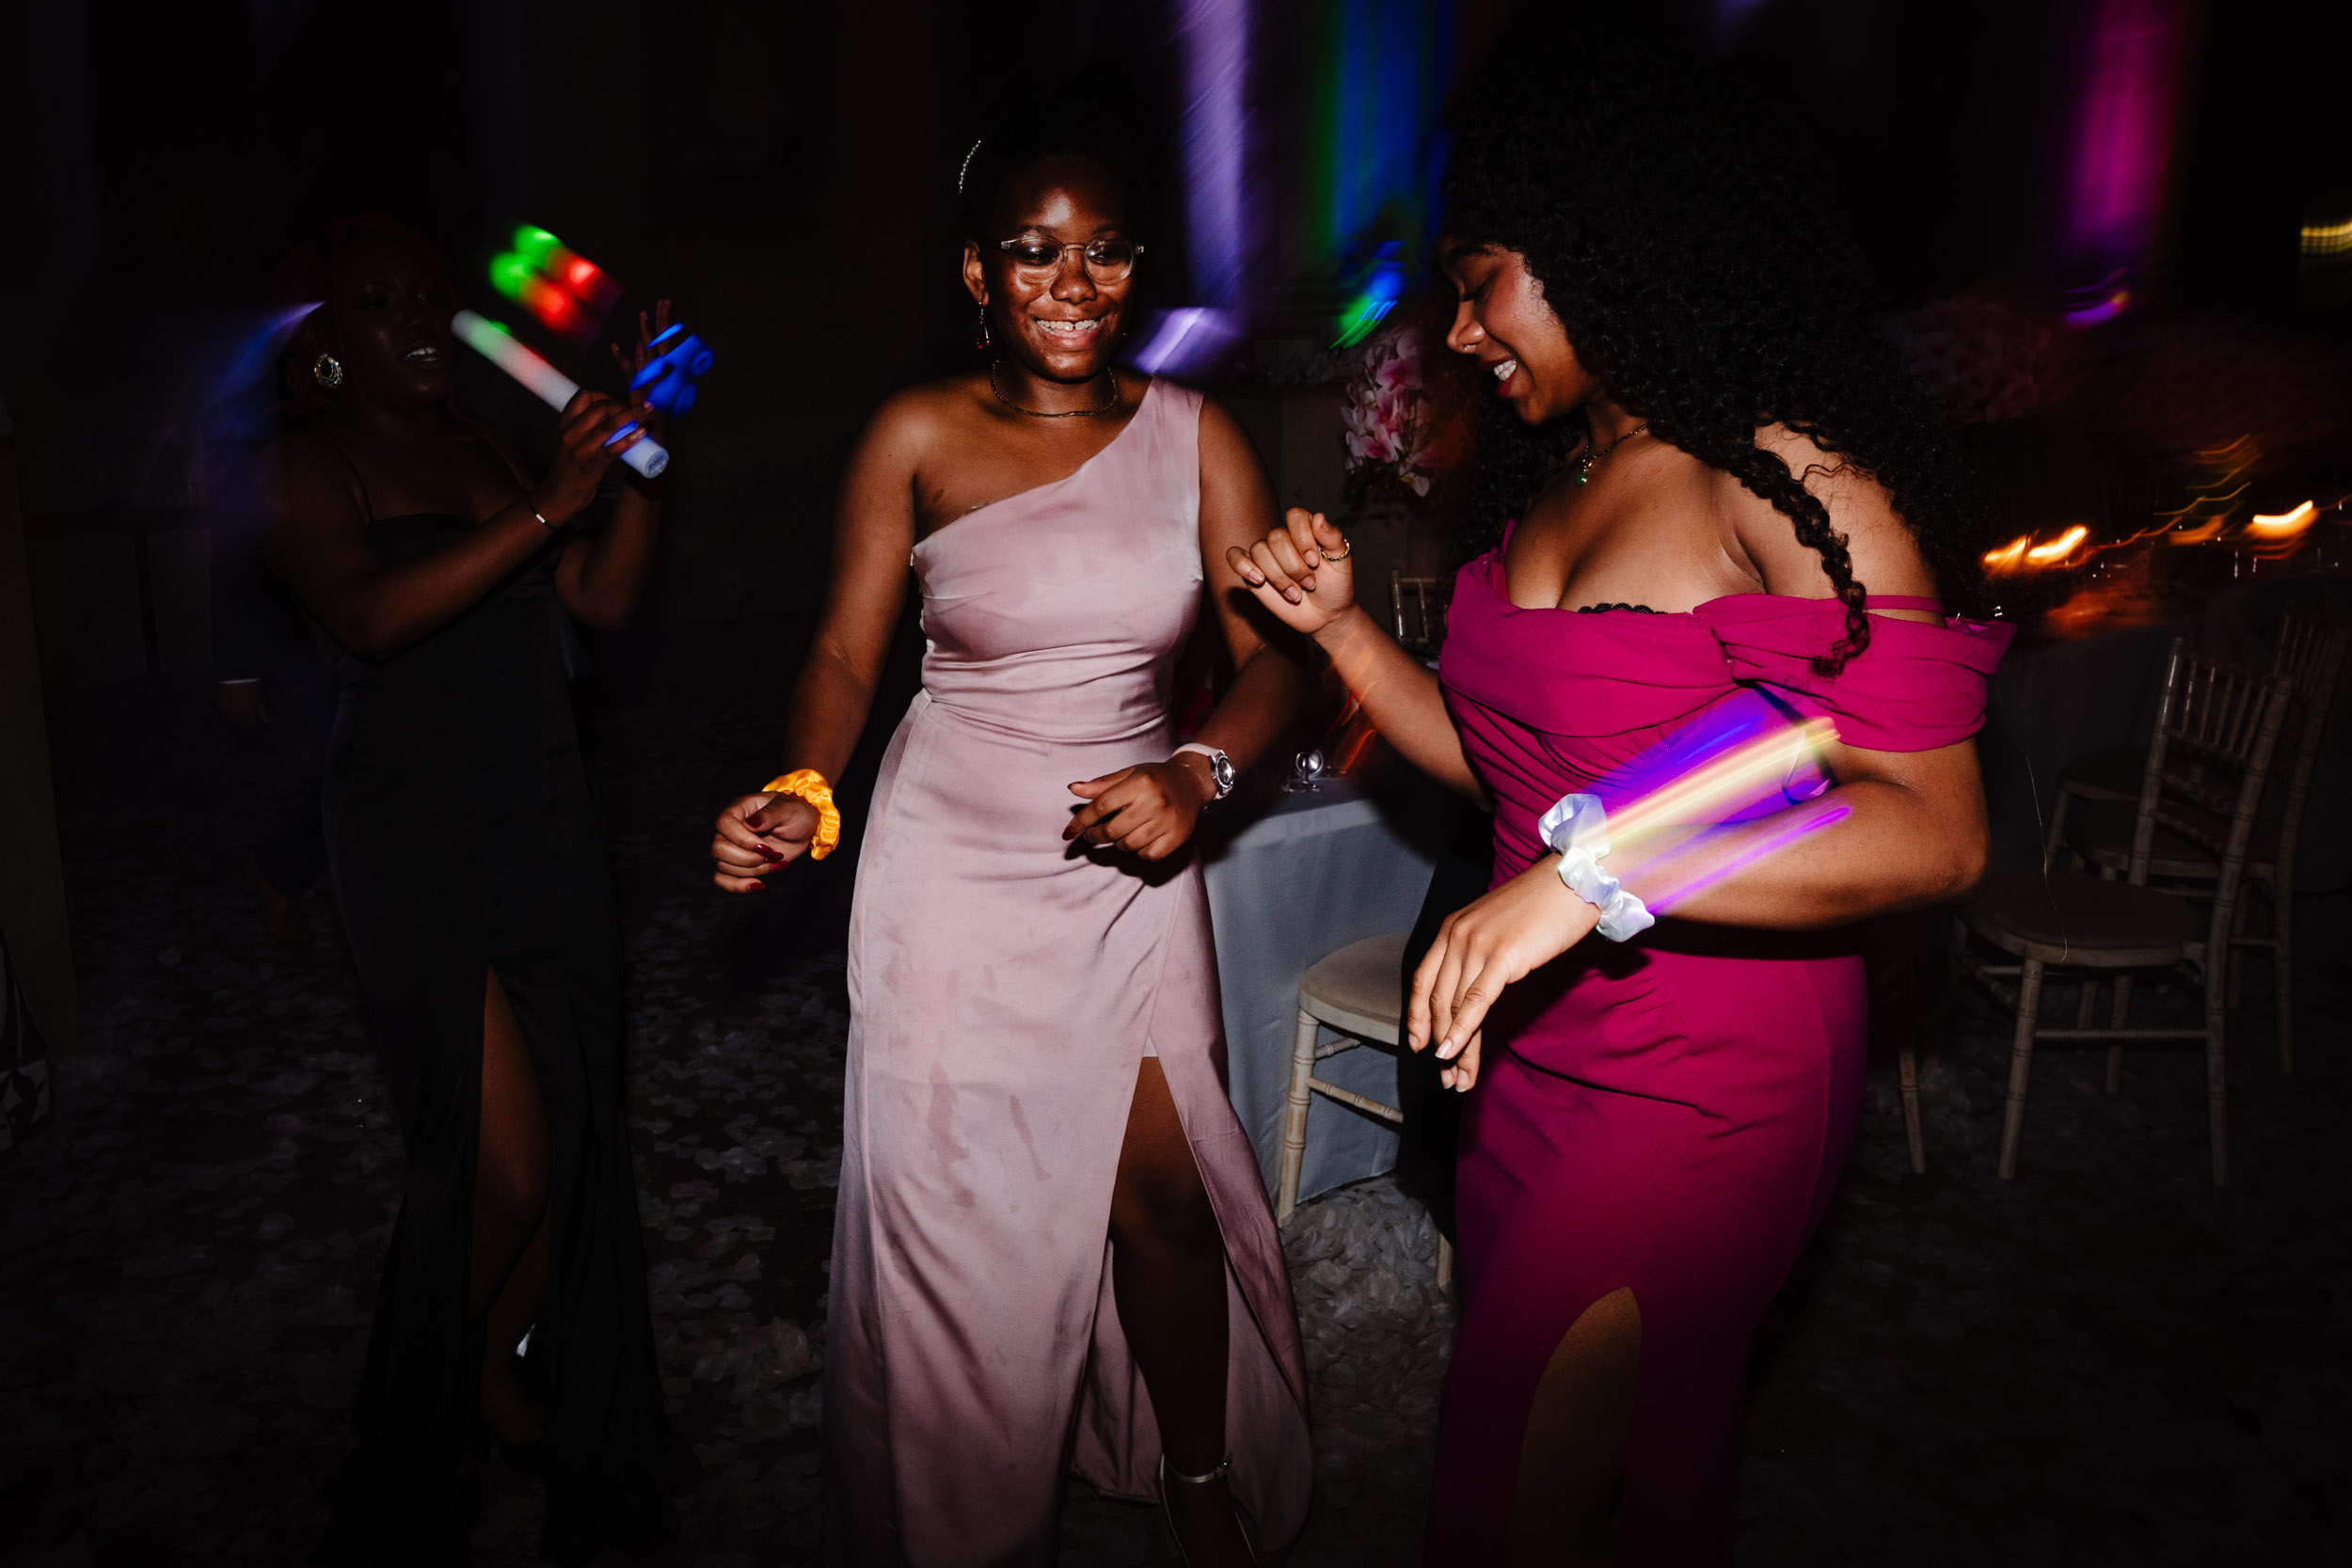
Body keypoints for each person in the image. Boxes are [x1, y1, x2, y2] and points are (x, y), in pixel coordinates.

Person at [1230, 23, 2012, 1565]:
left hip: (1714, 1070)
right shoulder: (1558, 473)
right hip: (1534, 1051)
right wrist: (1341, 636)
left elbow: (1937, 825)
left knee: (1497, 1496)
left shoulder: (1784, 475)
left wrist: (1591, 878)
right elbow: (1505, 769)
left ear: (1604, 243)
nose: (1459, 334)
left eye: (1483, 283)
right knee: (1647, 1460)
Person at [707, 112, 1314, 1566]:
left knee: (1164, 1199)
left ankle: (1196, 1481)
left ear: (1139, 267)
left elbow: (1275, 662)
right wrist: (804, 789)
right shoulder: (915, 435)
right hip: (950, 868)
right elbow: (845, 656)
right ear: (979, 273)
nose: (1073, 285)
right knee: (954, 1219)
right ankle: (962, 1521)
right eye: (1035, 253)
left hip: (1134, 856)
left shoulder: (1197, 436)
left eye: (1104, 252)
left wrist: (1198, 772)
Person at [261, 214, 682, 1562]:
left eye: (427, 297)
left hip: (537, 803)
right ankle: (418, 1405)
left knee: (572, 1129)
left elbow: (597, 602)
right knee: (502, 1163)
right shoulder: (307, 465)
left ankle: (494, 1362)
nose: (417, 320)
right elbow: (368, 618)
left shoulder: (491, 450)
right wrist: (551, 502)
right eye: (378, 304)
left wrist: (640, 470)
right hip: (410, 827)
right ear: (328, 348)